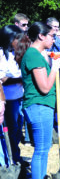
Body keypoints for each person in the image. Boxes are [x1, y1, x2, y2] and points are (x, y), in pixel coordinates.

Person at [15, 21, 60, 179]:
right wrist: (56, 68)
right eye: (51, 35)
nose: (54, 38)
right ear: (41, 36)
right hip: (38, 106)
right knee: (41, 149)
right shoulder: (34, 56)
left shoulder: (36, 54)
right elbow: (44, 87)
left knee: (44, 148)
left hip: (42, 107)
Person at [0, 25, 28, 167]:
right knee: (11, 130)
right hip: (8, 99)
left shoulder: (12, 53)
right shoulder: (1, 55)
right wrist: (20, 79)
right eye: (17, 38)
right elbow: (2, 79)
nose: (19, 41)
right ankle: (12, 158)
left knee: (17, 127)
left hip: (18, 96)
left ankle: (16, 154)